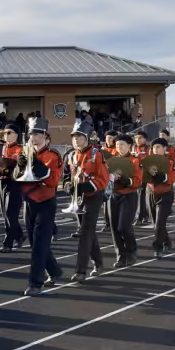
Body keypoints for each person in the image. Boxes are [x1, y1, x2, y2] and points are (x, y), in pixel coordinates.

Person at [15, 117, 62, 294]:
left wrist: (35, 164)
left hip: (46, 202)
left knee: (40, 244)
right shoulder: (25, 152)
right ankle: (55, 271)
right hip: (29, 201)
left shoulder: (53, 155)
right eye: (31, 133)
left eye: (36, 133)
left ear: (45, 136)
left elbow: (52, 180)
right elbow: (18, 177)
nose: (33, 137)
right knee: (35, 243)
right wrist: (18, 167)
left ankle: (36, 283)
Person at [67, 120, 108, 282]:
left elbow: (103, 180)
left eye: (79, 136)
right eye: (74, 137)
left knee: (85, 233)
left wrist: (86, 187)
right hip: (78, 198)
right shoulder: (72, 155)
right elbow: (69, 176)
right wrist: (68, 185)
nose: (76, 139)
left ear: (86, 138)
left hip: (93, 196)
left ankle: (80, 271)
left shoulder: (96, 154)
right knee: (89, 232)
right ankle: (98, 263)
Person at [107, 133, 140, 267]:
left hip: (129, 195)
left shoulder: (135, 160)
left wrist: (123, 178)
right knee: (114, 228)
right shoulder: (111, 161)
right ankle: (121, 255)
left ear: (129, 146)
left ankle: (132, 251)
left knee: (124, 227)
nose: (119, 147)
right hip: (113, 196)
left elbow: (137, 181)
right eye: (117, 145)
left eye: (122, 144)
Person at [146, 138, 175, 259]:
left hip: (165, 194)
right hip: (150, 193)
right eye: (154, 147)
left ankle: (157, 247)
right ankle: (167, 241)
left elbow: (171, 178)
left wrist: (157, 175)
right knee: (155, 223)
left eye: (158, 147)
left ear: (165, 149)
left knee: (160, 222)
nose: (155, 149)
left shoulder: (169, 162)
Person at [0, 124, 25, 253]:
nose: (6, 135)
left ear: (16, 135)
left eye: (9, 132)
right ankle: (20, 235)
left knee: (10, 214)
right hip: (1, 182)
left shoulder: (21, 149)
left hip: (15, 184)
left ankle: (8, 242)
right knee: (5, 214)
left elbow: (21, 167)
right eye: (4, 133)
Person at [132, 131, 151, 225]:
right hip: (136, 175)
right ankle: (144, 215)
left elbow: (149, 161)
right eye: (136, 138)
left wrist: (139, 157)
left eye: (140, 138)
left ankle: (140, 217)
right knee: (140, 196)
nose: (137, 140)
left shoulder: (148, 148)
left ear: (145, 139)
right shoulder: (133, 147)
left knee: (142, 195)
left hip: (145, 175)